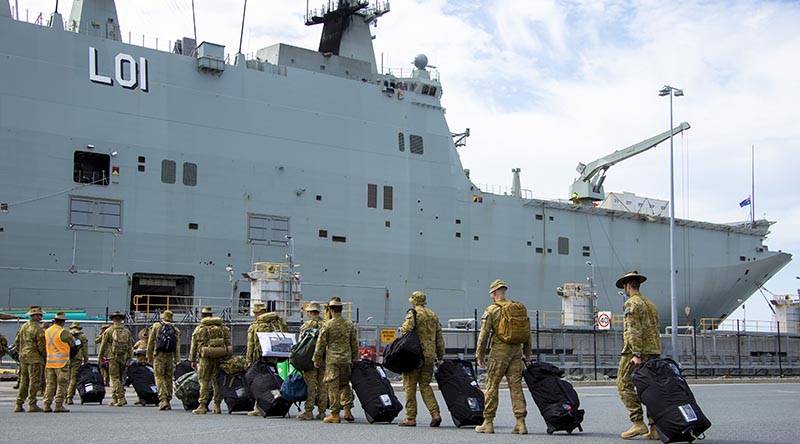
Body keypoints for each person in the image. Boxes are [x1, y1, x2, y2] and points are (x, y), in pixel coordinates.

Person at [474, 280, 531, 434]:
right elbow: (527, 333)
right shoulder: (517, 308)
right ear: (504, 292)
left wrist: (479, 355)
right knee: (516, 386)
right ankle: (521, 422)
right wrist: (527, 353)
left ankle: (488, 422)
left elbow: (484, 334)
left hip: (499, 352)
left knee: (492, 385)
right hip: (516, 352)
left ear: (493, 294)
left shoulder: (492, 310)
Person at [615, 271, 661, 440]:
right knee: (650, 389)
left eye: (624, 287)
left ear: (628, 286)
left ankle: (637, 422)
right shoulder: (650, 304)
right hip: (654, 352)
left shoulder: (631, 304)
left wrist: (636, 354)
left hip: (635, 352)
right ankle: (654, 427)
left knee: (623, 384)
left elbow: (633, 331)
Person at [398, 291, 445, 427]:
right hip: (429, 357)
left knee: (409, 386)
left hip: (414, 356)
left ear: (414, 301)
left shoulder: (413, 313)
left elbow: (405, 330)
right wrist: (440, 356)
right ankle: (435, 413)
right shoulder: (433, 315)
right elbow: (439, 339)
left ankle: (410, 418)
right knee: (425, 385)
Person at [313, 297, 358, 424]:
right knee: (345, 385)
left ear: (331, 310)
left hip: (332, 360)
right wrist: (355, 358)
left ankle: (334, 414)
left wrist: (317, 359)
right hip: (346, 360)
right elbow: (354, 343)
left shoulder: (328, 324)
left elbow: (320, 343)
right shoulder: (349, 324)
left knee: (333, 387)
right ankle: (348, 410)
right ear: (341, 310)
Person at [245, 301, 287, 416]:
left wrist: (249, 360)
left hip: (259, 358)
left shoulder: (256, 326)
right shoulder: (276, 324)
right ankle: (275, 400)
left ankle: (260, 406)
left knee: (258, 382)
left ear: (258, 312)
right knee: (272, 380)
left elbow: (251, 345)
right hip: (273, 357)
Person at [189, 306, 231, 415]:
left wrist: (192, 360)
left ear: (202, 316)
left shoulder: (200, 328)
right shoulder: (223, 328)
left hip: (205, 358)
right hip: (219, 357)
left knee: (204, 381)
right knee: (217, 381)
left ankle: (202, 405)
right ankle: (217, 406)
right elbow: (228, 343)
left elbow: (193, 346)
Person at [296, 302, 327, 420]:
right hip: (323, 359)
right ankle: (322, 412)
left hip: (309, 360)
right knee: (322, 386)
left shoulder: (306, 326)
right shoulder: (326, 325)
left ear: (309, 312)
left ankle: (309, 411)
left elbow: (300, 343)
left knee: (310, 385)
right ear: (319, 312)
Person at [13, 306, 46, 412]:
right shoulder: (37, 328)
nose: (41, 317)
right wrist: (45, 356)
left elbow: (16, 342)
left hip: (23, 358)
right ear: (35, 316)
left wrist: (21, 352)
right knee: (34, 381)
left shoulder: (24, 326)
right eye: (40, 315)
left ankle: (19, 403)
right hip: (35, 359)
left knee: (24, 381)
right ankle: (32, 403)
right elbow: (42, 346)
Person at [147, 310, 181, 411]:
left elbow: (151, 342)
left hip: (159, 355)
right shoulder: (175, 329)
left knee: (159, 377)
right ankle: (169, 398)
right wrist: (177, 359)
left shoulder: (156, 326)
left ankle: (163, 399)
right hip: (169, 356)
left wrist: (149, 356)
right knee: (168, 377)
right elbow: (177, 347)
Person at [98, 311, 133, 407]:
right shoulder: (127, 331)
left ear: (113, 319)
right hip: (123, 357)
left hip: (112, 357)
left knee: (114, 378)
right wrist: (129, 358)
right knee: (119, 378)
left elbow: (103, 345)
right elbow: (130, 346)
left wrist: (100, 357)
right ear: (121, 320)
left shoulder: (109, 331)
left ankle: (121, 398)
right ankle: (114, 398)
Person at [42, 312, 76, 413]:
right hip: (61, 362)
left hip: (49, 362)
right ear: (63, 322)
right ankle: (58, 404)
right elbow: (73, 343)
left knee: (50, 384)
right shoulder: (63, 332)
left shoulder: (47, 331)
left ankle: (47, 404)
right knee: (62, 384)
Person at [65, 321, 89, 405]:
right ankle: (69, 397)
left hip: (66, 358)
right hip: (77, 359)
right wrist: (86, 361)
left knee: (66, 378)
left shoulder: (67, 334)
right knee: (73, 378)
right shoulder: (82, 336)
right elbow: (85, 350)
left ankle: (64, 395)